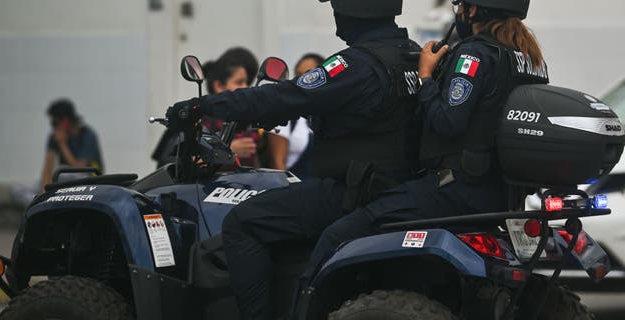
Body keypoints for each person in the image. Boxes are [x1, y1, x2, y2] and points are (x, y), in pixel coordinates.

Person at [167, 0, 421, 318]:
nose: (335, 16)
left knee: (242, 223)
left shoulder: (356, 64)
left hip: (355, 191)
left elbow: (283, 97)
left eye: (337, 7)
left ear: (355, 11)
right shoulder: (411, 54)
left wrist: (202, 106)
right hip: (397, 189)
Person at [302, 0, 550, 287]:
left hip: (456, 189)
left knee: (338, 234)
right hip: (503, 194)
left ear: (475, 11)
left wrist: (425, 77)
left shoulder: (474, 55)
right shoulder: (532, 60)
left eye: (461, 6)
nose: (458, 13)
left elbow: (447, 121)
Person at [265, 53, 324, 178]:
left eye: (309, 75)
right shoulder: (285, 115)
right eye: (298, 75)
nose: (302, 80)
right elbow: (278, 165)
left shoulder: (327, 113)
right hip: (296, 189)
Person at [40, 99, 103, 189]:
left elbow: (79, 169)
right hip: (67, 180)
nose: (54, 126)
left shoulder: (87, 135)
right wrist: (43, 192)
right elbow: (47, 170)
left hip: (91, 181)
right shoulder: (54, 137)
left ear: (65, 120)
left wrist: (62, 145)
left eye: (55, 122)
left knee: (63, 176)